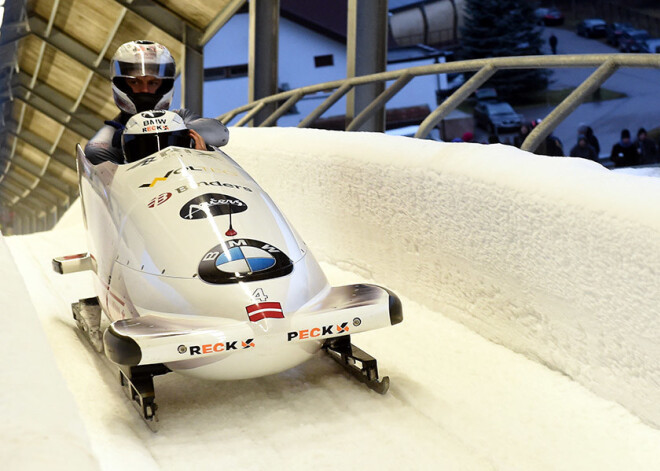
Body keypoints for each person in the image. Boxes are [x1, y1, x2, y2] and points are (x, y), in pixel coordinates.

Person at [85, 40, 229, 165]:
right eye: (135, 82)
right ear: (121, 84)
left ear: (164, 84)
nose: (145, 90)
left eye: (153, 83)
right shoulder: (108, 139)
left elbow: (220, 133)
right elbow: (97, 157)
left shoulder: (180, 117)